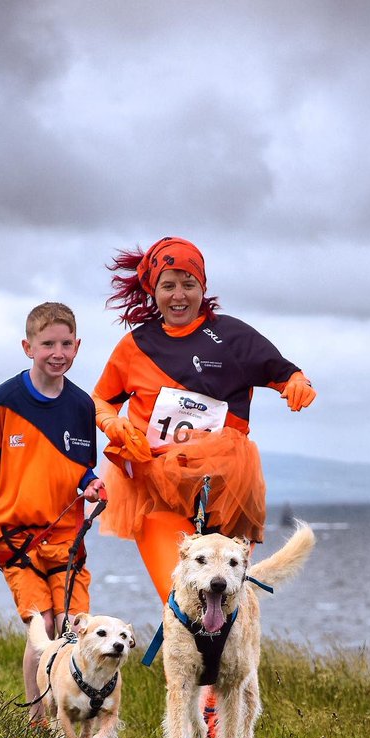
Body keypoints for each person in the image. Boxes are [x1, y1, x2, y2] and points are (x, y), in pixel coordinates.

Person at [91, 235, 316, 603]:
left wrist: (297, 384)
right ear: (153, 290)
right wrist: (112, 424)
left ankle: (231, 662)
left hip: (227, 489)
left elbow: (286, 373)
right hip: (155, 488)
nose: (178, 295)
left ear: (202, 286)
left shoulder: (232, 337)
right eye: (168, 286)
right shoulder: (134, 346)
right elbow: (101, 399)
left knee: (226, 601)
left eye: (188, 284)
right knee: (181, 598)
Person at [0, 301, 105, 723]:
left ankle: (69, 711)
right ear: (28, 346)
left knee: (71, 624)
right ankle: (37, 716)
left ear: (77, 346)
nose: (57, 352)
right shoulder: (4, 400)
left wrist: (91, 484)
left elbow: (79, 468)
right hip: (16, 536)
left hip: (66, 537)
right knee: (41, 623)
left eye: (65, 343)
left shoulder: (82, 406)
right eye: (47, 344)